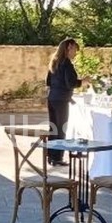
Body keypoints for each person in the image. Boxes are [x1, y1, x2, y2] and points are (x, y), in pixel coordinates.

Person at [46, 37, 81, 165]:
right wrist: (83, 81)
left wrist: (68, 96)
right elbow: (71, 83)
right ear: (69, 47)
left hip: (52, 98)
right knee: (61, 129)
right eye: (75, 50)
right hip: (60, 101)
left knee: (53, 128)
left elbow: (49, 82)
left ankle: (51, 156)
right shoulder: (66, 64)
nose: (75, 53)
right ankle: (57, 158)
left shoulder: (54, 62)